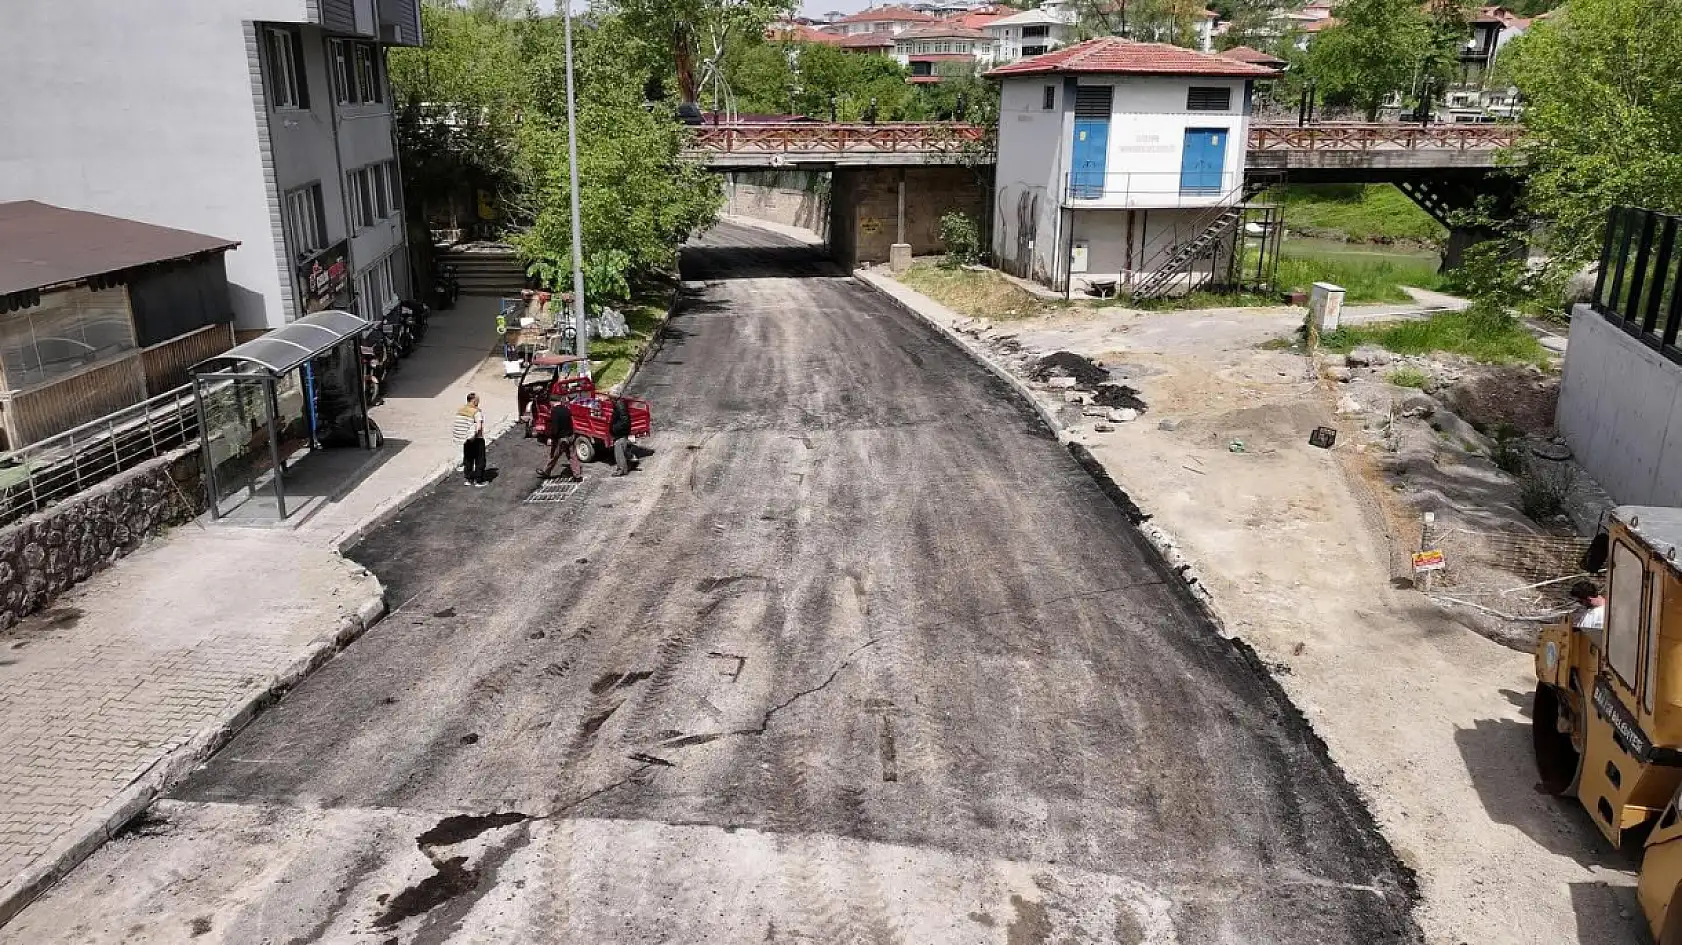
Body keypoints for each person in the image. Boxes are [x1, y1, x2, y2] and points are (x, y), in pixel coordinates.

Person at [537, 397, 582, 482]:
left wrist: (551, 438)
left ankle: (546, 472)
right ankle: (577, 475)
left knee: (554, 455)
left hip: (561, 439)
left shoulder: (554, 411)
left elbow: (555, 428)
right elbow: (571, 423)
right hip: (570, 436)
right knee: (572, 456)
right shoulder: (566, 409)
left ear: (552, 402)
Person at [453, 392, 487, 487]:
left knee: (468, 459)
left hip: (466, 439)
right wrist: (474, 436)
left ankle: (469, 479)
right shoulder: (476, 412)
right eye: (477, 400)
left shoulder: (461, 410)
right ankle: (479, 480)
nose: (478, 402)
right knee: (480, 459)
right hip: (476, 439)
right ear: (474, 401)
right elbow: (479, 427)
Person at [609, 396, 635, 477]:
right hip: (621, 433)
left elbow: (625, 421)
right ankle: (629, 463)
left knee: (619, 451)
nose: (609, 400)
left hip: (620, 433)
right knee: (623, 449)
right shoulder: (619, 405)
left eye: (610, 398)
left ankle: (622, 470)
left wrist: (614, 428)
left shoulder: (619, 406)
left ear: (614, 398)